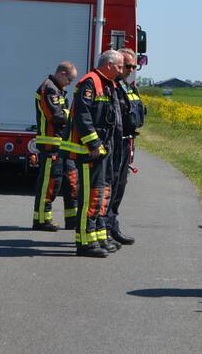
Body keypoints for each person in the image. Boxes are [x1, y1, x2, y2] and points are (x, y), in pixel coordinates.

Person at [68, 50, 124, 257]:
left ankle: (97, 236)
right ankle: (84, 243)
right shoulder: (90, 83)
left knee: (100, 194)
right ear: (108, 65)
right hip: (88, 151)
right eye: (119, 66)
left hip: (103, 149)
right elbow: (82, 116)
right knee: (89, 196)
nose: (121, 70)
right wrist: (93, 144)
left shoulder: (108, 84)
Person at [32, 62, 79, 231]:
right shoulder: (48, 88)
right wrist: (73, 115)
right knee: (50, 184)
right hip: (50, 145)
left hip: (63, 145)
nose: (70, 83)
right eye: (70, 79)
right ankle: (41, 220)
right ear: (62, 73)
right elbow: (57, 115)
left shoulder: (57, 89)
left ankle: (72, 219)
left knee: (71, 181)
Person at [107, 48, 146, 246]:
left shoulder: (128, 87)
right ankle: (103, 228)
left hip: (127, 142)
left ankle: (113, 225)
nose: (131, 69)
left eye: (133, 66)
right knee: (110, 187)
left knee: (120, 187)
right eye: (127, 66)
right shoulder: (111, 87)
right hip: (115, 144)